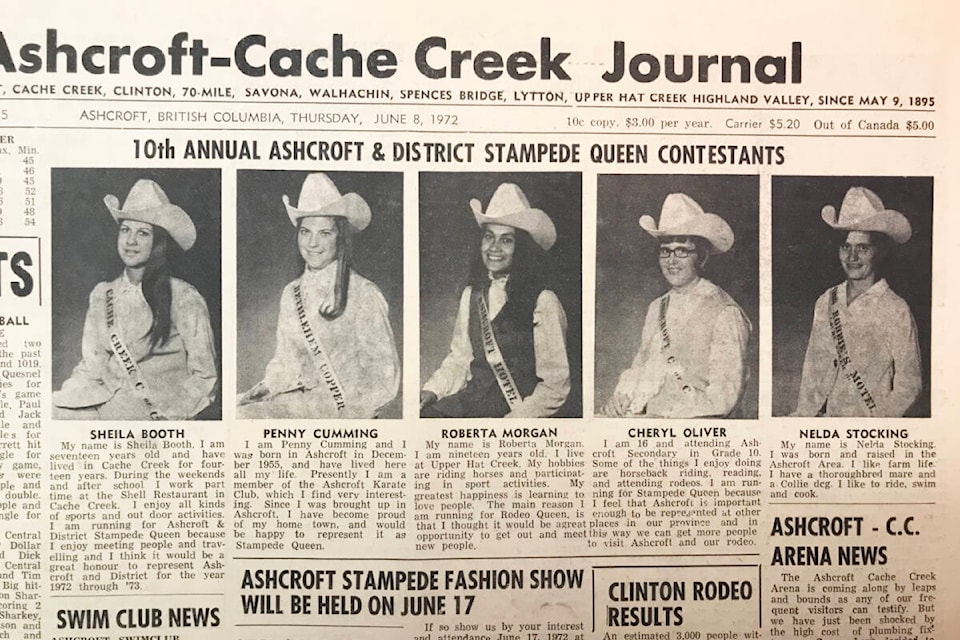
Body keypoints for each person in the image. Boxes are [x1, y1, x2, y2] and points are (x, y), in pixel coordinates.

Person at [238, 173, 400, 419]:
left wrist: (351, 415)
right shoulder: (291, 293)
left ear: (341, 237)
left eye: (324, 233)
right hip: (301, 405)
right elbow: (287, 360)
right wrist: (268, 386)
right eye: (305, 232)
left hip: (348, 412)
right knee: (240, 414)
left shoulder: (364, 295)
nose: (312, 243)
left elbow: (384, 376)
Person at [53, 179, 218, 420]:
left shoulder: (184, 298)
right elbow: (91, 367)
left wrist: (172, 416)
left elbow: (205, 376)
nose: (130, 241)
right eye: (125, 230)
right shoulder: (102, 294)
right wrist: (67, 398)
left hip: (153, 413)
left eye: (143, 233)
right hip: (102, 400)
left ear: (158, 242)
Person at [420, 182, 570, 418]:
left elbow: (554, 386)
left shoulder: (544, 302)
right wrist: (432, 389)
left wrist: (515, 421)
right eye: (489, 237)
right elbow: (461, 359)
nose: (494, 248)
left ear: (522, 247)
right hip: (471, 403)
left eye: (506, 240)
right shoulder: (472, 294)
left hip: (517, 412)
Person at [604, 193, 751, 418]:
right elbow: (642, 366)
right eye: (665, 251)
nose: (671, 260)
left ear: (701, 256)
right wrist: (622, 398)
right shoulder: (656, 307)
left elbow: (725, 397)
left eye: (682, 250)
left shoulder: (725, 312)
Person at [795, 186, 921, 417]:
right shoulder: (826, 300)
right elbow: (812, 371)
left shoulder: (895, 309)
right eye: (846, 247)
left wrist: (877, 424)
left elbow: (909, 384)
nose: (852, 257)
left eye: (863, 248)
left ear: (879, 252)